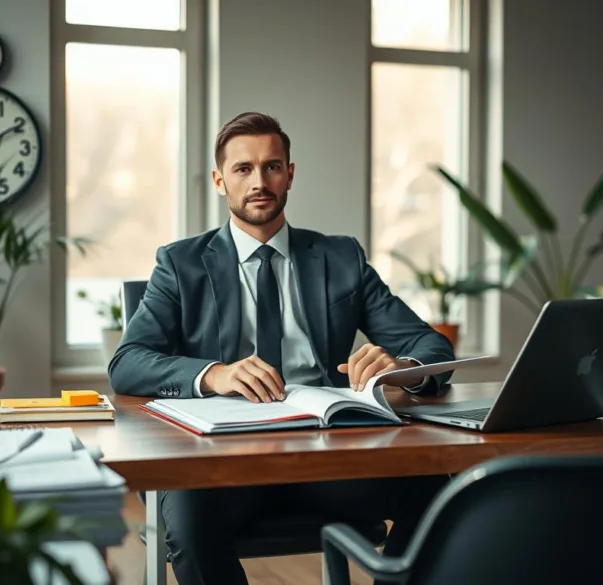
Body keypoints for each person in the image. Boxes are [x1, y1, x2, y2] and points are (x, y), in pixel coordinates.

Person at [108, 111, 455, 585]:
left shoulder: (340, 257)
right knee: (188, 525)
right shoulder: (180, 263)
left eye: (272, 166)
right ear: (219, 180)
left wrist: (402, 368)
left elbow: (429, 344)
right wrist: (214, 374)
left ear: (290, 173)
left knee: (439, 490)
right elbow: (127, 363)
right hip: (218, 459)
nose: (259, 181)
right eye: (243, 169)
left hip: (326, 453)